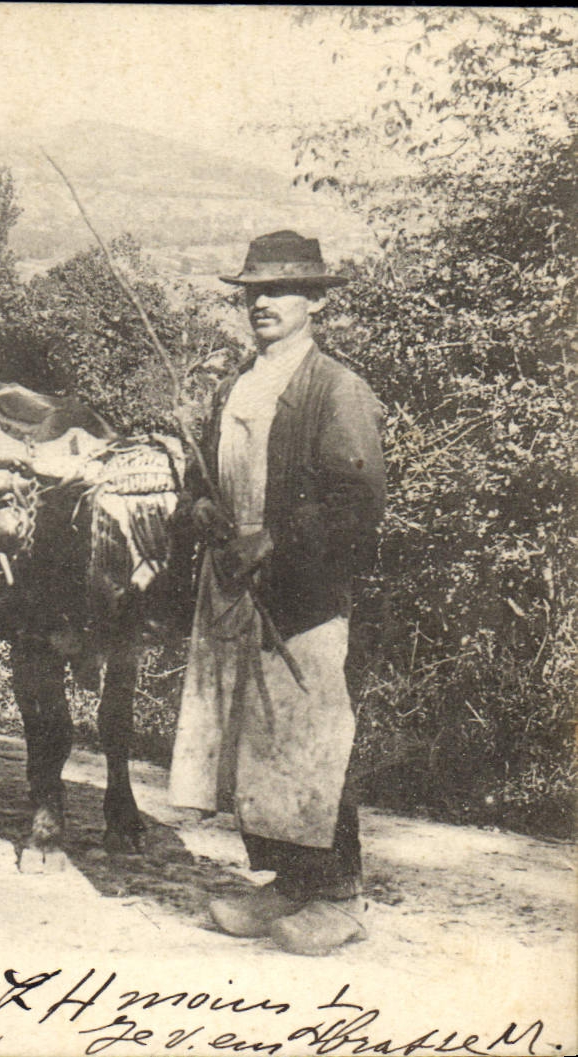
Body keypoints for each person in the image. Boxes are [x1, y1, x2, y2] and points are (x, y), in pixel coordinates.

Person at [169, 231, 386, 955]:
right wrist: (200, 508)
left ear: (314, 302)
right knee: (253, 738)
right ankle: (285, 884)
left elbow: (354, 500)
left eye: (278, 290)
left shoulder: (336, 388)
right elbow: (204, 474)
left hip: (301, 591)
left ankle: (338, 895)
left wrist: (275, 543)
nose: (260, 302)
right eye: (251, 291)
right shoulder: (237, 384)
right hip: (230, 580)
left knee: (312, 735)